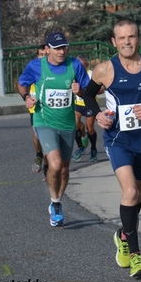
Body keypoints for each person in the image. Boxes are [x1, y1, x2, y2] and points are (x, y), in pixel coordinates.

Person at [78, 19, 141, 278]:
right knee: (130, 190)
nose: (127, 42)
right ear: (114, 42)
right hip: (117, 139)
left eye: (131, 37)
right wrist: (97, 115)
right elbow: (87, 96)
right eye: (121, 38)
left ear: (138, 38)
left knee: (137, 197)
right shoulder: (104, 70)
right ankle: (136, 256)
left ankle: (123, 234)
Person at [17, 32, 91, 227]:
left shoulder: (74, 65)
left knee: (65, 169)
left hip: (67, 123)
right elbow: (21, 83)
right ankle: (56, 203)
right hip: (44, 121)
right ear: (47, 49)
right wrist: (26, 98)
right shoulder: (36, 66)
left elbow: (88, 90)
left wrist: (80, 91)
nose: (62, 51)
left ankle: (56, 201)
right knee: (56, 165)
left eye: (64, 47)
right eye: (57, 48)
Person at [72, 54, 101, 162]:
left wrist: (91, 91)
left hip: (89, 104)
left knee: (90, 128)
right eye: (77, 64)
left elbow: (101, 89)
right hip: (78, 103)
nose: (79, 67)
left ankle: (93, 149)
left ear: (87, 65)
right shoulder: (74, 74)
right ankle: (81, 147)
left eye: (82, 65)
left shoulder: (91, 74)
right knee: (75, 124)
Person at [30, 44, 47, 174]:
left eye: (46, 55)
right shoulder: (32, 69)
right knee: (37, 136)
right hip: (36, 109)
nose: (43, 58)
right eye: (41, 55)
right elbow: (22, 85)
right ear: (37, 56)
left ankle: (48, 168)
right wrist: (26, 97)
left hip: (52, 110)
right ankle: (38, 156)